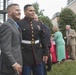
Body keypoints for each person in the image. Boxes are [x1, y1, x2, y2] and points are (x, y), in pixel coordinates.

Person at [17, 4, 49, 75]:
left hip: (38, 55)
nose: (33, 12)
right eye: (30, 10)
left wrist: (46, 53)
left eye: (34, 11)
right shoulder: (19, 23)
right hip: (25, 56)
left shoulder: (39, 24)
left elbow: (43, 39)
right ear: (25, 12)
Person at [0, 4, 22, 75]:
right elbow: (5, 49)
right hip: (8, 68)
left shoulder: (15, 25)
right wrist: (14, 63)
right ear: (9, 12)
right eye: (17, 10)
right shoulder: (6, 26)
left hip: (15, 67)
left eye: (20, 10)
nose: (19, 12)